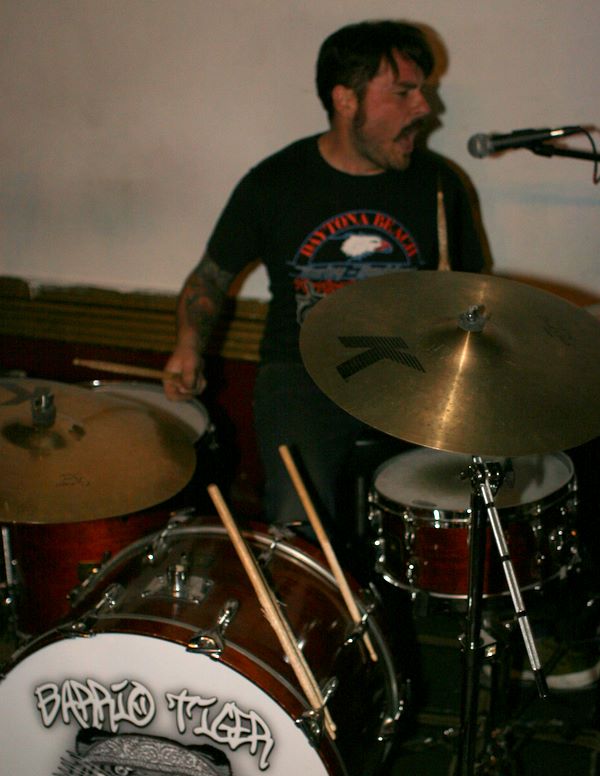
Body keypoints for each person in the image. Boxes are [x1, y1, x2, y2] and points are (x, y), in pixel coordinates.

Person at [164, 19, 486, 550]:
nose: (425, 108)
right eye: (403, 92)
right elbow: (209, 279)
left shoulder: (439, 184)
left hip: (413, 373)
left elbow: (478, 299)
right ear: (345, 99)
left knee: (460, 506)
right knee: (299, 522)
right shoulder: (274, 183)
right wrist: (188, 345)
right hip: (302, 374)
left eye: (423, 90)